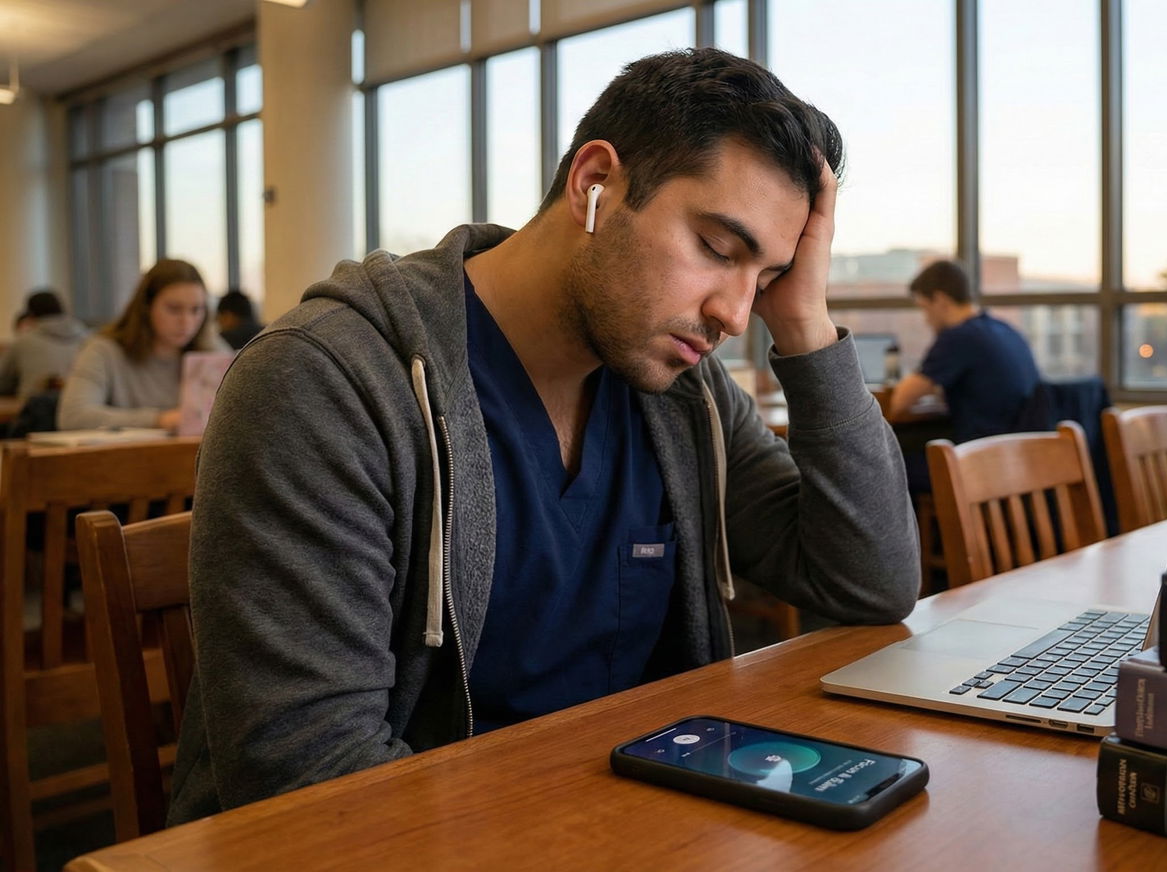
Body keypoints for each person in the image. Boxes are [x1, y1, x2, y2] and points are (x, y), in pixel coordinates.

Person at [170, 48, 919, 822]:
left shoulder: (679, 395)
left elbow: (867, 584)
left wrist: (803, 323)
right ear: (595, 184)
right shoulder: (328, 382)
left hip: (644, 827)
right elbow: (310, 782)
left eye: (763, 279)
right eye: (718, 251)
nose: (734, 313)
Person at [887, 260, 1041, 491]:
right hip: (1017, 454)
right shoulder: (1004, 329)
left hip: (982, 459)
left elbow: (899, 401)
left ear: (940, 300)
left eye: (924, 308)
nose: (926, 319)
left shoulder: (958, 337)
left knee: (885, 466)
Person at [58, 259, 214, 431]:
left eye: (196, 310)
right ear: (146, 307)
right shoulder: (103, 351)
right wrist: (159, 420)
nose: (187, 322)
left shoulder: (212, 352)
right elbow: (72, 417)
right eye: (174, 309)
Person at [0, 289, 89, 402]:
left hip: (36, 412)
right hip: (80, 407)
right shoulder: (89, 338)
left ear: (30, 314)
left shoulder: (23, 342)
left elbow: (3, 383)